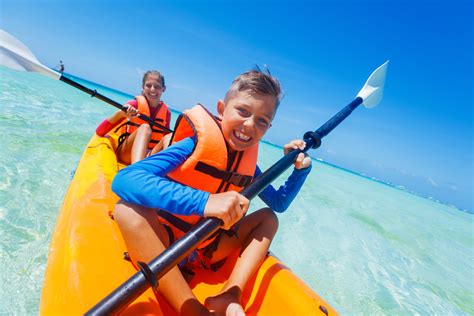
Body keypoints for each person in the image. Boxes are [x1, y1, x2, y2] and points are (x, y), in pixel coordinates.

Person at [112, 68, 312, 316]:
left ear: (268, 128)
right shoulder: (193, 144)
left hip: (206, 249)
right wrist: (204, 201)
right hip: (165, 241)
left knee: (268, 218)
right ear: (221, 109)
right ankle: (193, 310)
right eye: (243, 111)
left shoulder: (250, 164)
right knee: (127, 210)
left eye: (262, 121)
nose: (249, 125)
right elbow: (125, 179)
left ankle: (229, 294)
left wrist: (299, 171)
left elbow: (278, 203)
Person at [95, 70, 172, 164]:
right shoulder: (133, 104)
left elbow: (165, 139)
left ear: (163, 89)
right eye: (148, 85)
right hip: (126, 153)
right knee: (145, 127)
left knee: (169, 136)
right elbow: (100, 132)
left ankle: (167, 172)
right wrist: (121, 113)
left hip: (149, 156)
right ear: (142, 87)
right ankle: (136, 171)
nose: (152, 89)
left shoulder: (166, 113)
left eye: (157, 86)